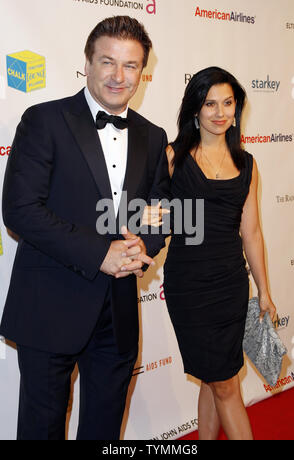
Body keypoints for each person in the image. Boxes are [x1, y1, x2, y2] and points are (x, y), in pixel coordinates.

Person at [0, 16, 169, 440]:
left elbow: (160, 209)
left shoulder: (153, 136)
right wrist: (100, 254)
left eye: (130, 65)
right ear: (88, 63)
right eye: (107, 61)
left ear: (142, 72)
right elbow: (20, 209)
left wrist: (140, 246)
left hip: (118, 313)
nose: (118, 76)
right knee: (41, 428)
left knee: (104, 428)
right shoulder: (44, 120)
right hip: (50, 305)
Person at [162, 67, 276, 440]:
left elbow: (252, 232)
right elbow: (150, 215)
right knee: (224, 383)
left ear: (237, 108)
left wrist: (264, 290)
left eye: (227, 103)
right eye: (210, 103)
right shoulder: (173, 157)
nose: (219, 112)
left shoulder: (247, 164)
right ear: (195, 108)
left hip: (230, 285)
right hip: (188, 287)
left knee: (216, 381)